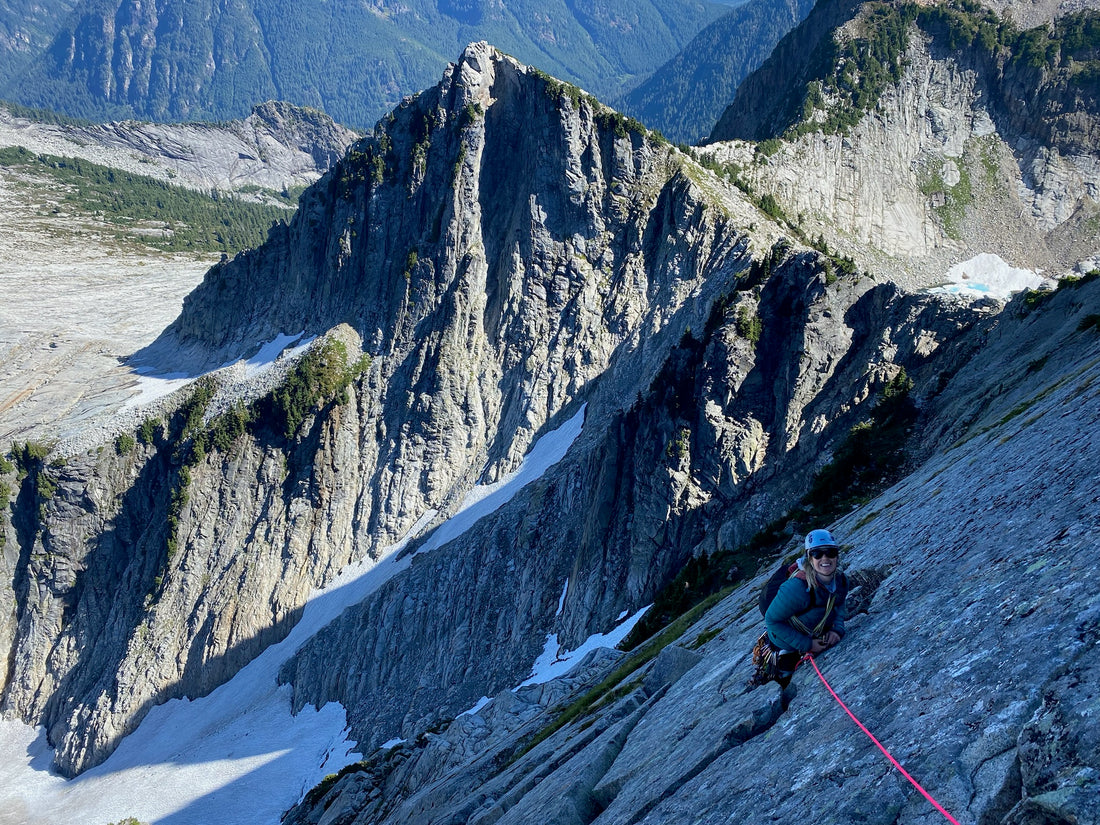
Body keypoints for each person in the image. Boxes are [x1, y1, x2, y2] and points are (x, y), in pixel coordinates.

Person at [764, 528, 849, 686]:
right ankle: (783, 662)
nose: (825, 558)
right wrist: (808, 645)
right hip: (786, 640)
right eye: (817, 554)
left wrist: (837, 630)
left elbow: (839, 605)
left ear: (837, 555)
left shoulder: (841, 582)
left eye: (830, 552)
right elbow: (772, 620)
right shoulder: (796, 588)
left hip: (817, 629)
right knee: (786, 679)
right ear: (809, 558)